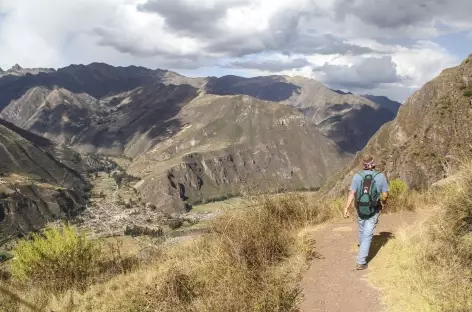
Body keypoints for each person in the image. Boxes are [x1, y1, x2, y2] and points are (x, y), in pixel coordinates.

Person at [343, 154, 389, 270]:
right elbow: (385, 194)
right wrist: (383, 202)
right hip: (373, 209)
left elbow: (352, 193)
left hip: (359, 209)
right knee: (368, 234)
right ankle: (361, 262)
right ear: (373, 164)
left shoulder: (357, 176)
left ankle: (362, 249)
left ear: (363, 165)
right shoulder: (380, 176)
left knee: (362, 230)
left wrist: (346, 208)